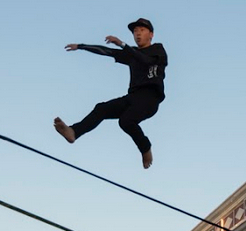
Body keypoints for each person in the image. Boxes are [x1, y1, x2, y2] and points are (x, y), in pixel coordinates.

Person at [55, 18, 168, 169]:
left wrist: (122, 44)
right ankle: (74, 132)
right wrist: (81, 46)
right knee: (101, 108)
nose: (137, 34)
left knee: (126, 121)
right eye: (135, 31)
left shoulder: (158, 50)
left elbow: (145, 60)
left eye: (142, 30)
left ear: (151, 34)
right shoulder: (131, 53)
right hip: (133, 97)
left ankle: (145, 148)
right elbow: (107, 51)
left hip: (150, 98)